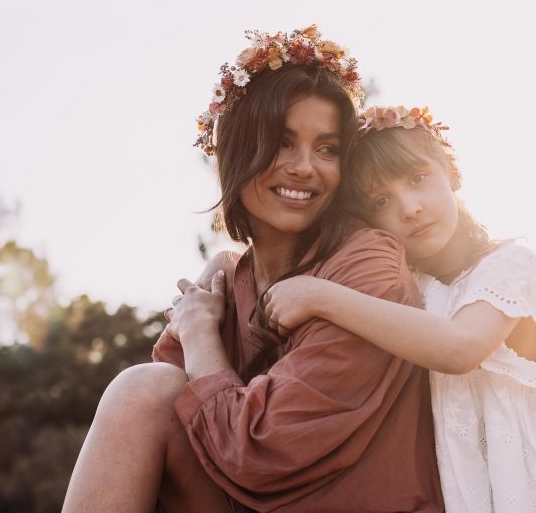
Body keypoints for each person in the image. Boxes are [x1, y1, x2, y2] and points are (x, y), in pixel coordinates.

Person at [63, 29, 443, 512]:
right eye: (282, 144)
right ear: (238, 151)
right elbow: (169, 410)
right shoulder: (229, 280)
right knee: (144, 390)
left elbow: (260, 451)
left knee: (147, 390)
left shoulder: (367, 269)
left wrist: (201, 332)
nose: (305, 168)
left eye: (327, 150)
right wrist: (214, 299)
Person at [263, 105, 536, 512]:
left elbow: (459, 349)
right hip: (473, 485)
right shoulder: (411, 290)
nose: (409, 207)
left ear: (451, 174)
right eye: (382, 200)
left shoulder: (508, 266)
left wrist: (320, 296)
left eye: (418, 179)